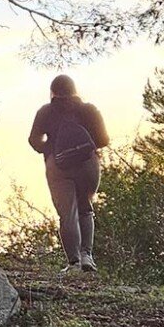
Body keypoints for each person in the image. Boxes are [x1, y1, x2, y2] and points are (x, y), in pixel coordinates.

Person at [28, 74, 110, 275]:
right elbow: (103, 139)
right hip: (88, 164)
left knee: (67, 214)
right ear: (75, 90)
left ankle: (74, 263)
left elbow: (33, 140)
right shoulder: (89, 110)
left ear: (52, 92)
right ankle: (86, 256)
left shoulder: (45, 112)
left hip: (58, 166)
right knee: (85, 208)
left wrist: (50, 151)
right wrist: (84, 147)